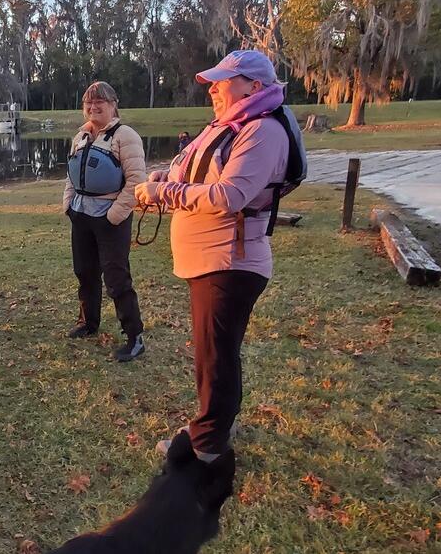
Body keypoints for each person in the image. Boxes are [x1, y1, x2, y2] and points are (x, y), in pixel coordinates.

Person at [136, 50, 296, 464]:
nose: (213, 89)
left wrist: (164, 194)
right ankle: (217, 422)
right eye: (213, 82)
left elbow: (229, 195)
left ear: (254, 86)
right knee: (216, 351)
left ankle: (208, 444)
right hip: (211, 259)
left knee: (216, 355)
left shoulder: (262, 131)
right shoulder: (233, 124)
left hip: (230, 262)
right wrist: (165, 177)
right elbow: (198, 171)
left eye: (223, 81)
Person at [62, 81, 147, 362]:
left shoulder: (126, 136)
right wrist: (68, 205)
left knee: (116, 277)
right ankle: (89, 322)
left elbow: (136, 181)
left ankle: (135, 336)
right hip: (81, 214)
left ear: (113, 105)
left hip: (111, 218)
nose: (93, 106)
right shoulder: (81, 136)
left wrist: (115, 215)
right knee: (85, 272)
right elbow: (72, 174)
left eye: (100, 102)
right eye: (88, 103)